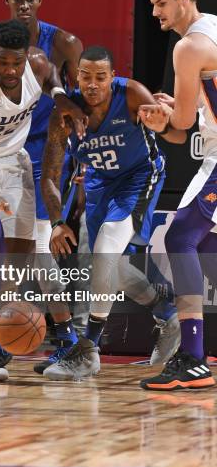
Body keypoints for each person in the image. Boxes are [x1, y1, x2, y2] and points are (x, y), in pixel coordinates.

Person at [0, 19, 87, 381]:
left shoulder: (37, 63)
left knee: (21, 259)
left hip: (15, 160)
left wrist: (61, 98)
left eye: (15, 64)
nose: (9, 71)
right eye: (2, 62)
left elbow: (53, 79)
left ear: (26, 58)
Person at [40, 45, 185, 381]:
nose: (93, 84)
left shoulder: (132, 94)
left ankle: (88, 349)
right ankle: (165, 310)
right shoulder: (65, 113)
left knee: (104, 252)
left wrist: (164, 124)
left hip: (139, 178)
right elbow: (49, 174)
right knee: (108, 265)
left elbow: (176, 134)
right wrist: (57, 222)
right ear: (77, 77)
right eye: (86, 77)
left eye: (100, 78)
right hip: (98, 184)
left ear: (112, 77)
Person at [138, 0, 217, 390]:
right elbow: (200, 108)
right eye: (153, 6)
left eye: (162, 3)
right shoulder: (214, 28)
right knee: (207, 249)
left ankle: (192, 358)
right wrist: (189, 106)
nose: (156, 13)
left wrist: (164, 118)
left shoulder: (187, 48)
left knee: (179, 238)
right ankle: (194, 352)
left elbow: (181, 127)